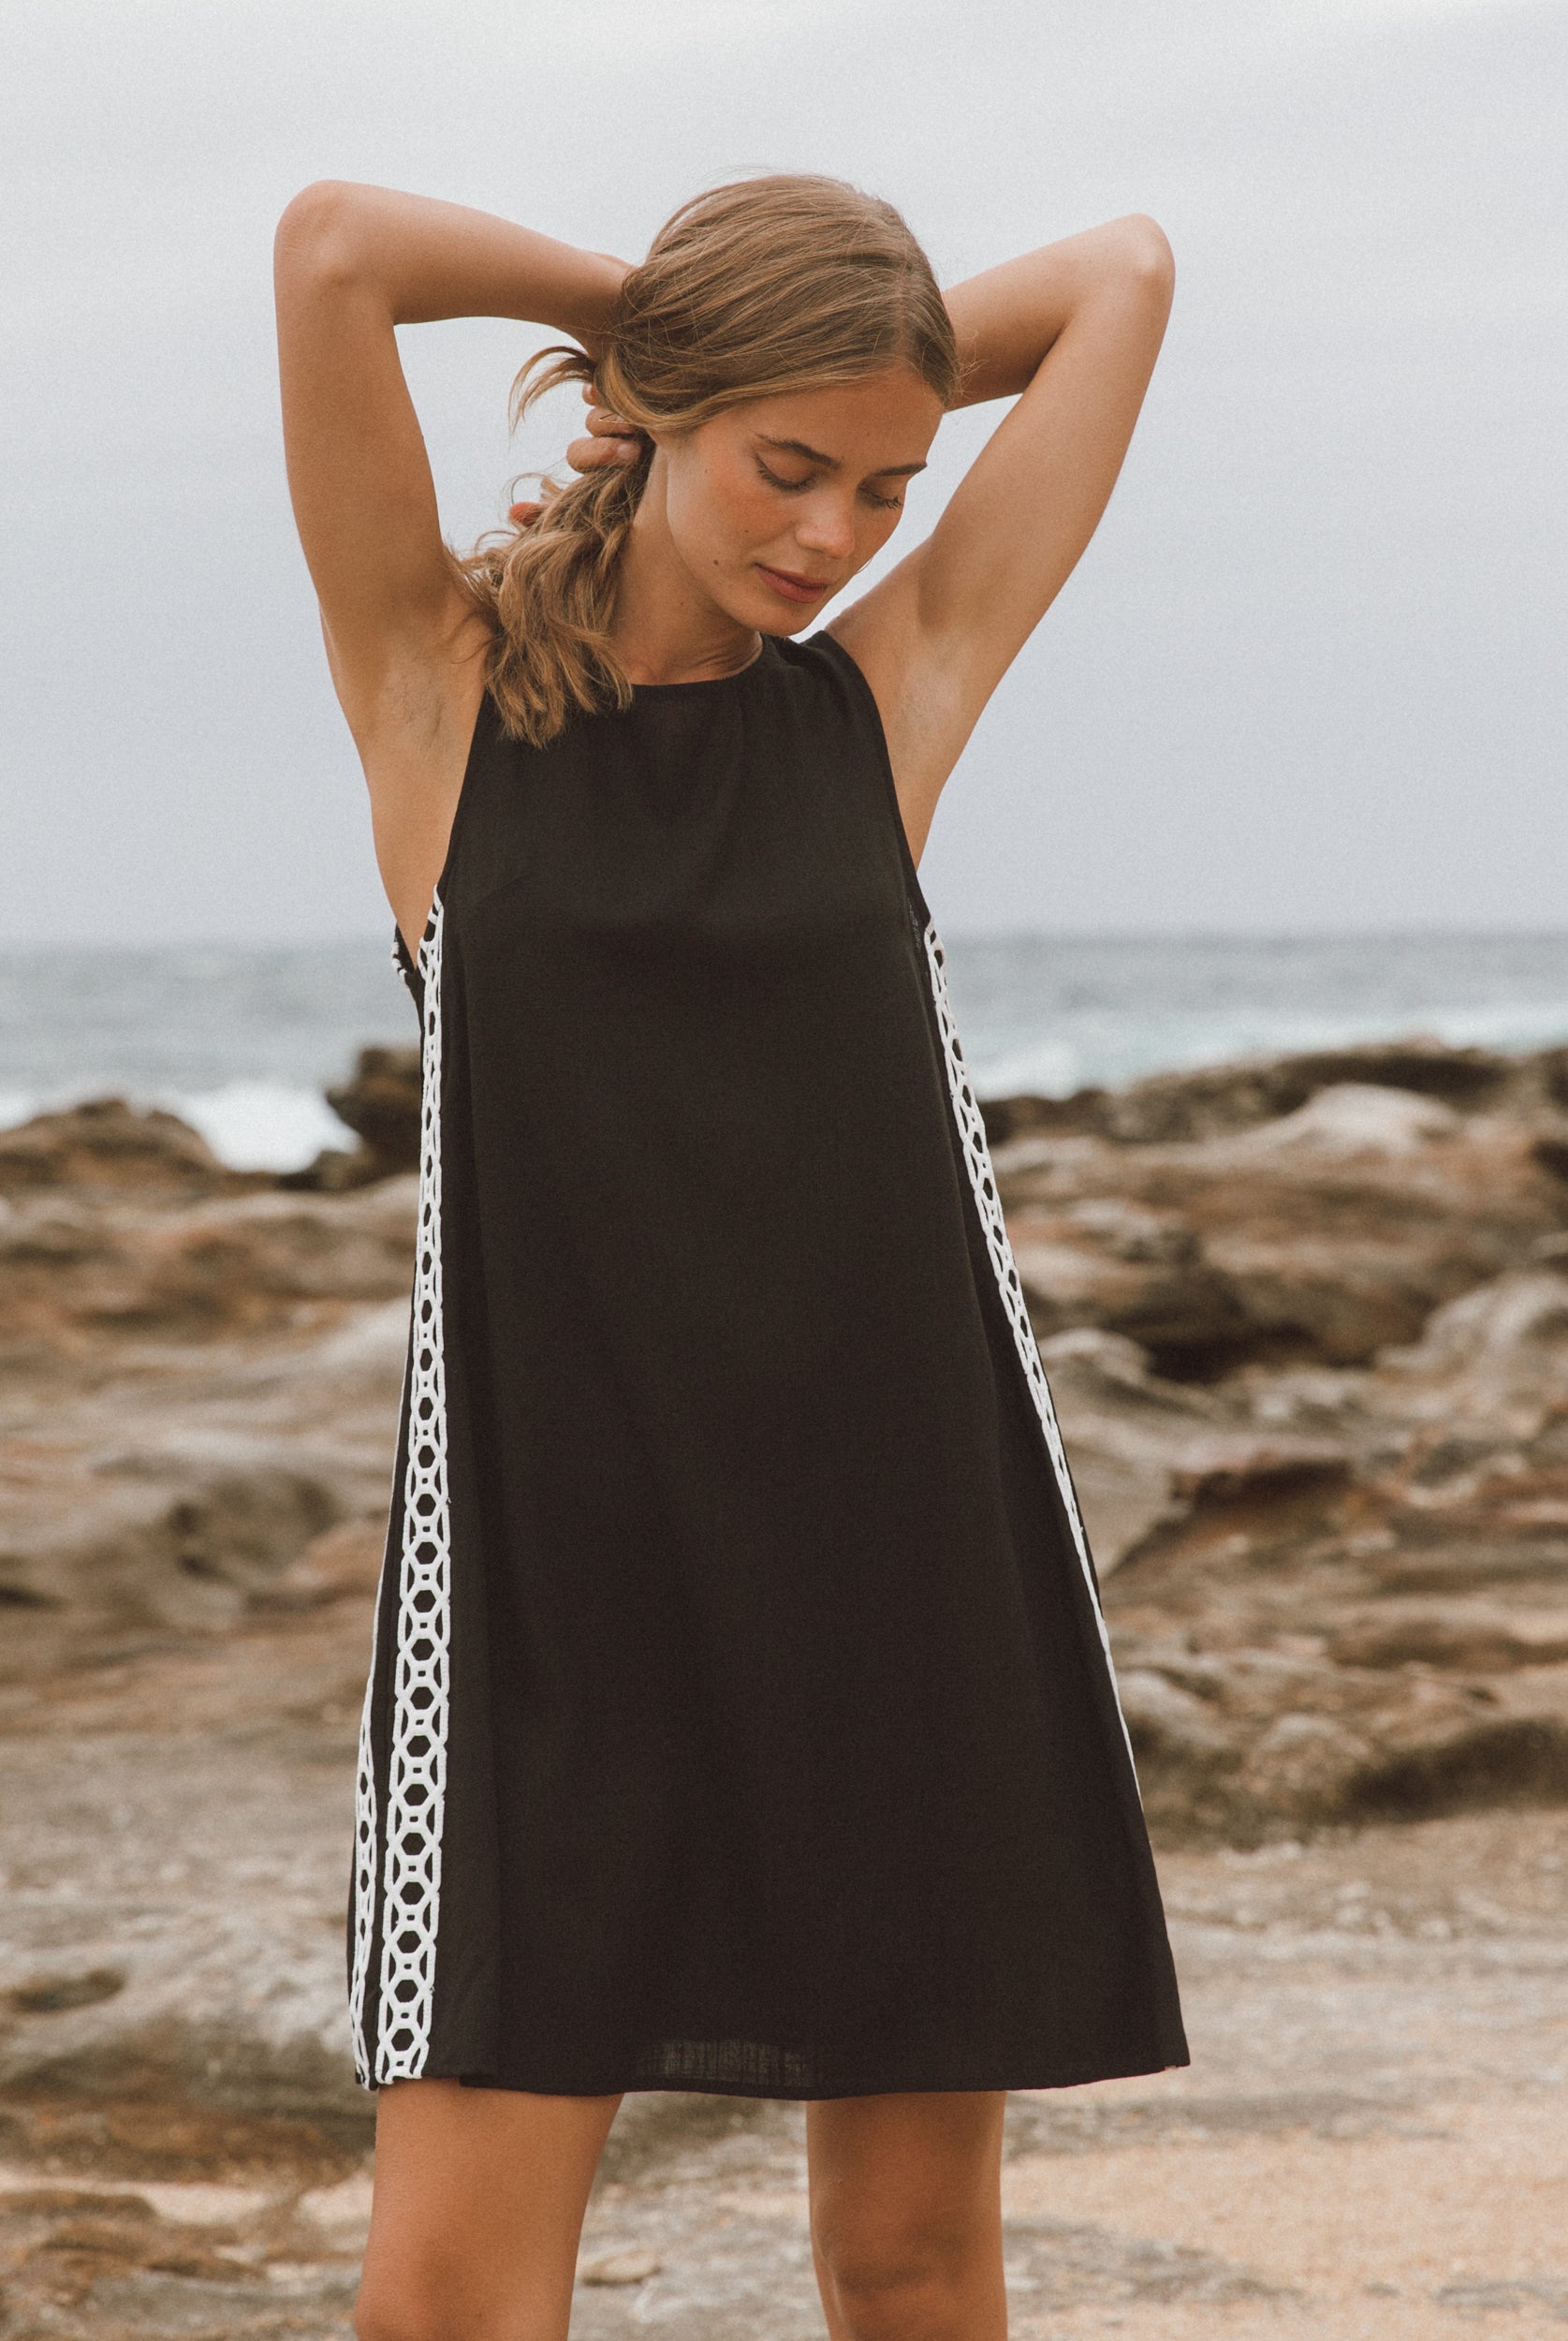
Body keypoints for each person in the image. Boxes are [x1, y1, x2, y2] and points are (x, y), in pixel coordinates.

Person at [273, 169, 1185, 2341]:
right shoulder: (436, 692)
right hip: (548, 1582)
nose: (834, 531)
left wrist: (812, 358)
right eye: (789, 464)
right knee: (448, 2297)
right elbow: (335, 252)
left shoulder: (880, 696)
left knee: (909, 2261)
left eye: (884, 481)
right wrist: (663, 319)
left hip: (898, 1551)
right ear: (667, 410)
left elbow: (1124, 271)